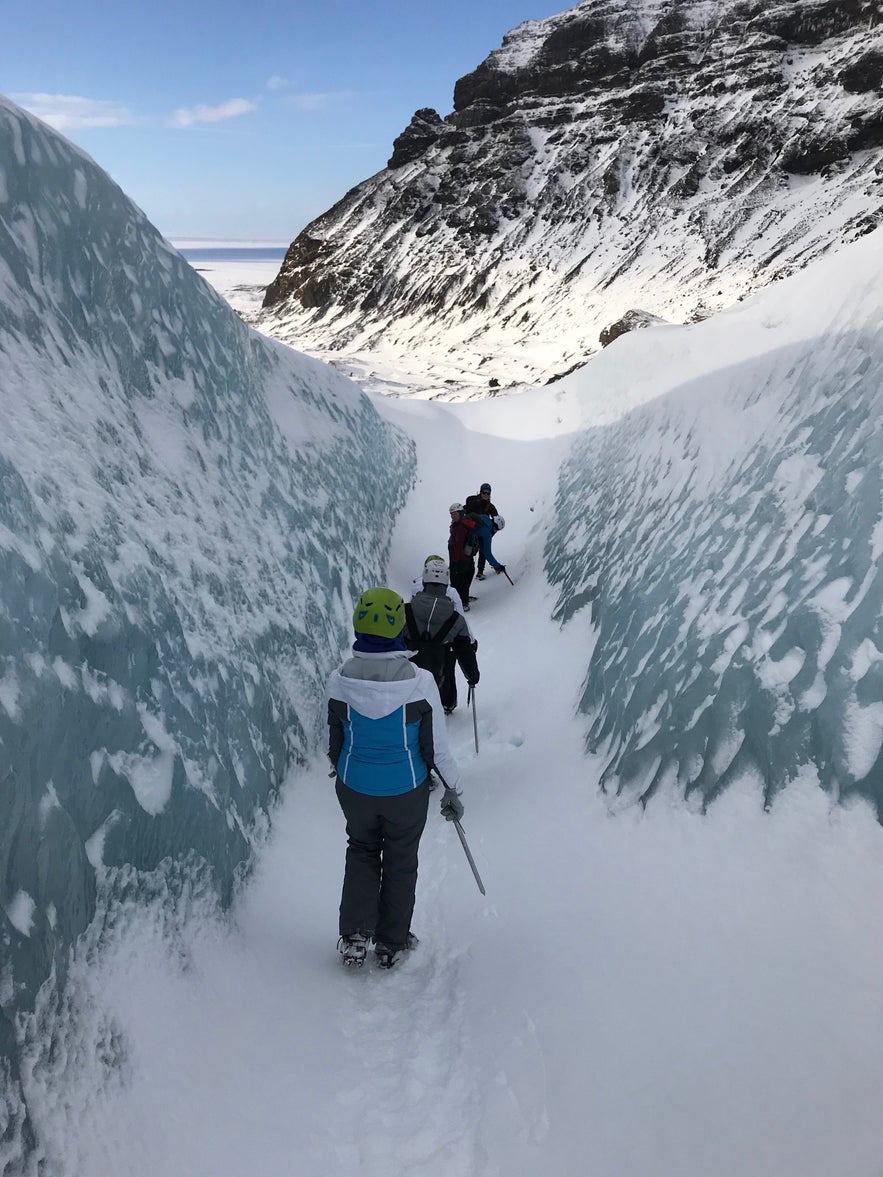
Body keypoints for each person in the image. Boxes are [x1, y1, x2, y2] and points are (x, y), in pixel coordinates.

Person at [326, 586, 464, 969]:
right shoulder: (419, 682)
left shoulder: (338, 680)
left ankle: (355, 933)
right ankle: (392, 941)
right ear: (399, 629)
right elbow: (435, 748)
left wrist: (345, 771)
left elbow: (334, 740)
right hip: (406, 790)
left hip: (354, 787)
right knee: (401, 860)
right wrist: (453, 788)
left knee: (362, 850)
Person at [406, 557, 480, 715]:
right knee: (448, 657)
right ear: (446, 585)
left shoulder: (404, 611)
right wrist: (472, 676)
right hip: (438, 676)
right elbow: (465, 653)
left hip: (407, 683)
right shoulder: (456, 620)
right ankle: (447, 704)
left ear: (424, 582)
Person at [463, 482, 499, 579]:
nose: (486, 495)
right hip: (471, 529)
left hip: (483, 530)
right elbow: (464, 510)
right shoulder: (473, 501)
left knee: (483, 550)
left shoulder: (491, 507)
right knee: (469, 549)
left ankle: (480, 571)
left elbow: (496, 520)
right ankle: (465, 571)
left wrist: (490, 532)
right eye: (484, 492)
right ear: (481, 492)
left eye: (488, 493)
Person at [448, 502, 480, 610]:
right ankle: (464, 599)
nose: (453, 516)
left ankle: (463, 603)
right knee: (465, 581)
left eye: (455, 514)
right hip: (468, 559)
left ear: (460, 513)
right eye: (451, 514)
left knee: (458, 582)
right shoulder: (466, 524)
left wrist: (454, 563)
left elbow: (457, 546)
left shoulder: (460, 527)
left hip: (460, 561)